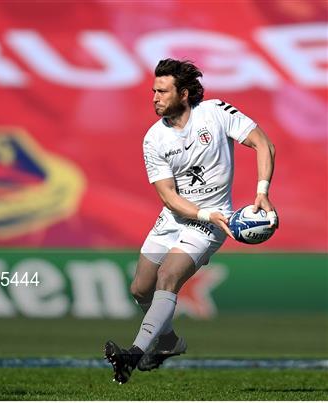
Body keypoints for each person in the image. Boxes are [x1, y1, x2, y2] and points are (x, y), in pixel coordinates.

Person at [104, 58, 278, 384]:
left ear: (183, 93)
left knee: (168, 277)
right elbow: (168, 197)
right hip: (176, 217)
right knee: (140, 288)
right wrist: (200, 212)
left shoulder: (214, 113)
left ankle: (133, 354)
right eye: (153, 90)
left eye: (162, 91)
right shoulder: (153, 138)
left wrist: (262, 192)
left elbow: (263, 144)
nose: (154, 97)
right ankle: (168, 342)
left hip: (213, 223)